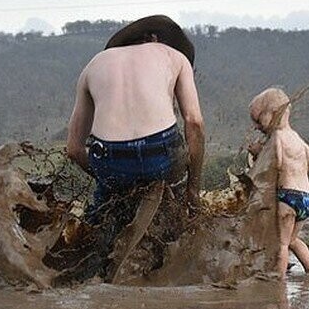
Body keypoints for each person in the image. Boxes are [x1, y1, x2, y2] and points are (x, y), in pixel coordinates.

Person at [66, 15, 205, 219]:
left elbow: (74, 149)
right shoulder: (174, 56)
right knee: (171, 211)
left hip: (109, 156)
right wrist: (192, 191)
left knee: (103, 217)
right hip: (160, 152)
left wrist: (110, 181)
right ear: (154, 39)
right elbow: (194, 122)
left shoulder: (93, 64)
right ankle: (174, 217)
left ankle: (97, 227)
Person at [247, 88, 309, 277]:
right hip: (307, 198)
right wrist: (297, 168)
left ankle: (278, 280)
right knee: (293, 240)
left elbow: (276, 163)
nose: (256, 126)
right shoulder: (297, 137)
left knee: (282, 243)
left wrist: (258, 153)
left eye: (258, 120)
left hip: (288, 197)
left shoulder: (277, 138)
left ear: (272, 114)